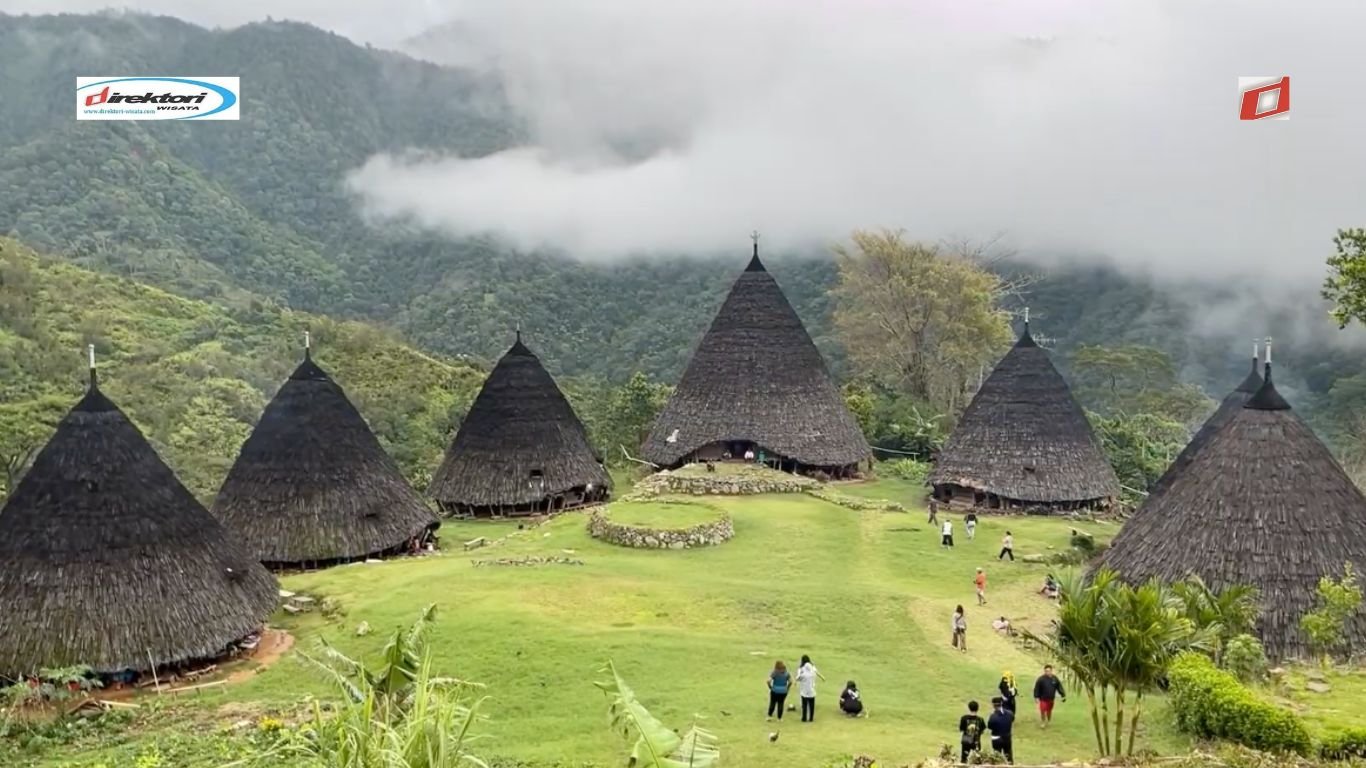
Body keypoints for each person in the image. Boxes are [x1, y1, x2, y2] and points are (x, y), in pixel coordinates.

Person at [796, 654, 824, 722]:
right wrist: (822, 677)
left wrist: (798, 679)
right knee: (812, 705)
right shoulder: (813, 671)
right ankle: (811, 718)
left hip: (804, 691)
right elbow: (816, 672)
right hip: (812, 690)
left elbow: (798, 678)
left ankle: (804, 718)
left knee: (804, 705)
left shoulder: (802, 670)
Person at [987, 696, 1015, 764]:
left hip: (997, 738)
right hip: (1007, 737)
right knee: (1008, 756)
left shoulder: (993, 716)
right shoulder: (1010, 713)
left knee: (997, 757)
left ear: (993, 705)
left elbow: (990, 726)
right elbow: (1012, 720)